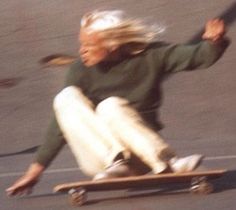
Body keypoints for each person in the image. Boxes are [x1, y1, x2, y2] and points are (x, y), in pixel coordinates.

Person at [6, 10, 229, 196]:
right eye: (80, 43)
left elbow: (196, 57)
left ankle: (169, 162)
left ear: (113, 45)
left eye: (89, 44)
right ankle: (117, 162)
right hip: (100, 161)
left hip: (143, 155)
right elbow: (59, 124)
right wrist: (35, 171)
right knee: (66, 97)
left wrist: (214, 41)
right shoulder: (79, 71)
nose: (81, 50)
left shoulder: (152, 55)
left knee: (110, 105)